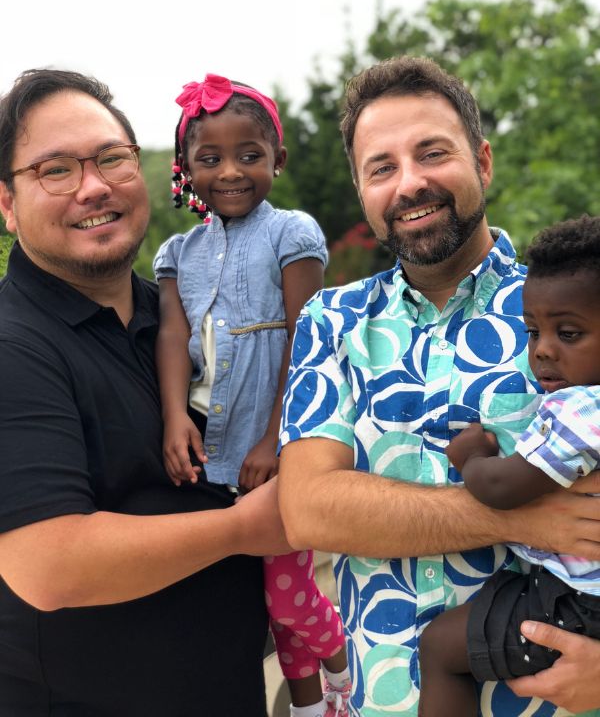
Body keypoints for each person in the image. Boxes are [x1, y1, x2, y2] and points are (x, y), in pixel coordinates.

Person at [277, 56, 600, 716]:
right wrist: (522, 514)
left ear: (482, 162)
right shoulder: (332, 322)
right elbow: (309, 508)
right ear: (362, 190)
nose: (410, 183)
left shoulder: (574, 314)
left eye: (432, 153)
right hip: (381, 699)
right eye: (383, 167)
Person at [0, 68, 293, 717]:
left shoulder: (180, 316)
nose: (94, 186)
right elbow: (49, 565)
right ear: (7, 203)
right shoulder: (14, 345)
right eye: (55, 170)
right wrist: (244, 529)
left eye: (111, 159)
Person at [153, 73, 351, 717]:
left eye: (250, 155)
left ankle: (347, 668)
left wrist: (276, 440)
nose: (230, 172)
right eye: (210, 159)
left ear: (277, 159)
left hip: (274, 449)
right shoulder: (177, 253)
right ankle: (306, 707)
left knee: (289, 598)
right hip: (209, 453)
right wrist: (172, 420)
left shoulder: (291, 233)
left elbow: (307, 340)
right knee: (261, 598)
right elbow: (174, 335)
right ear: (186, 167)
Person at [418, 214, 600, 716]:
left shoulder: (584, 410)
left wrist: (473, 457)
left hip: (579, 606)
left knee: (439, 648)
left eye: (568, 332)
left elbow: (504, 488)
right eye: (533, 330)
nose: (542, 349)